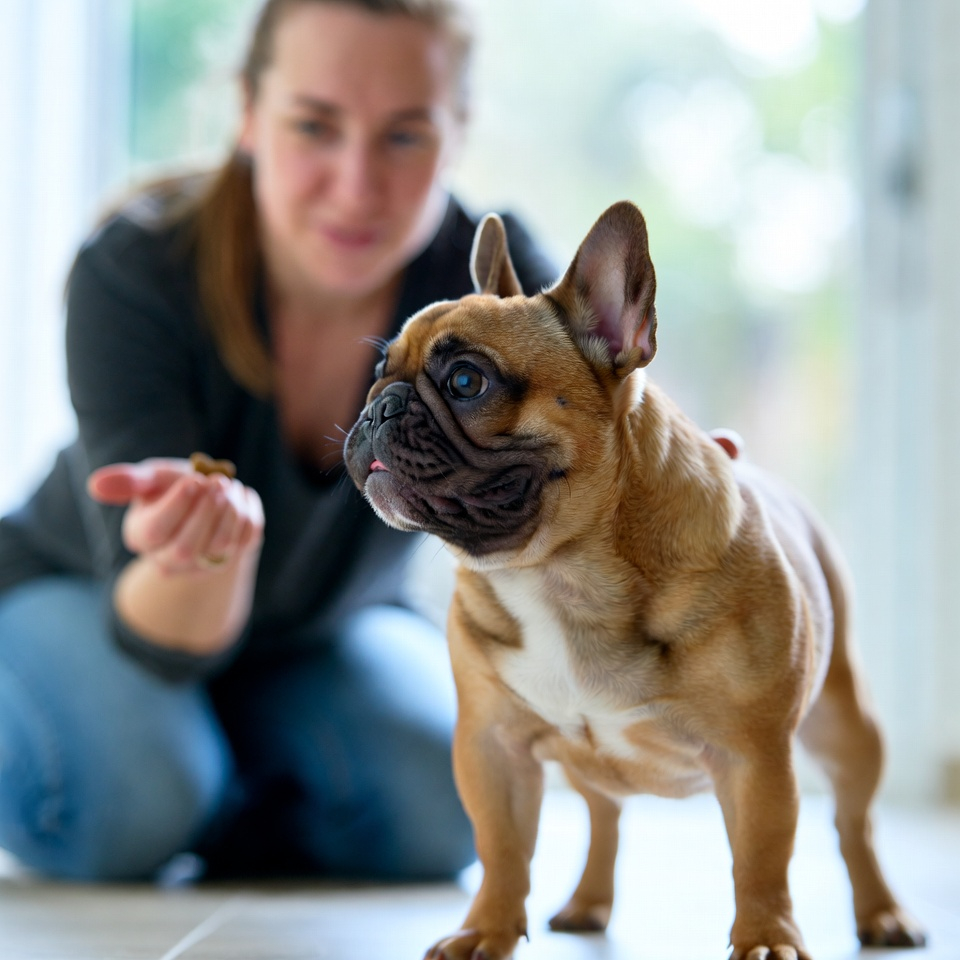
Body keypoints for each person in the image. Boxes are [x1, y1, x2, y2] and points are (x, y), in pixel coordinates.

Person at [0, 0, 557, 882]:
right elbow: (164, 639)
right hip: (96, 599)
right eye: (314, 126)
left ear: (457, 133)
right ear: (249, 113)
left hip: (312, 634)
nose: (356, 185)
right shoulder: (134, 269)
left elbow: (592, 450)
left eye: (404, 136)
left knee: (453, 810)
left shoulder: (501, 285)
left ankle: (216, 773)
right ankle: (204, 778)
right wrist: (194, 553)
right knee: (131, 805)